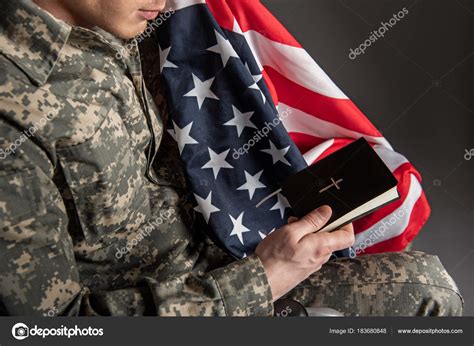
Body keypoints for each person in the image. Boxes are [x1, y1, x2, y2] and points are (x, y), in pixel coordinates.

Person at [0, 0, 463, 316]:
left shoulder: (112, 26)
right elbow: (46, 326)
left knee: (427, 284)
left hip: (215, 257)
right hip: (188, 300)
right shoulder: (14, 110)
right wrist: (260, 281)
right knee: (427, 299)